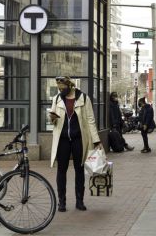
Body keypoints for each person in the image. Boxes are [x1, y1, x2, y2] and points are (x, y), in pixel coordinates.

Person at [49, 75, 102, 212]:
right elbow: (53, 122)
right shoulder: (57, 99)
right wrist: (52, 118)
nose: (61, 90)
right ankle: (62, 202)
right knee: (61, 170)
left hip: (79, 139)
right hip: (62, 140)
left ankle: (79, 200)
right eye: (59, 88)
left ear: (70, 85)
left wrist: (96, 140)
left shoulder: (83, 98)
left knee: (79, 170)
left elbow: (90, 120)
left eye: (63, 88)